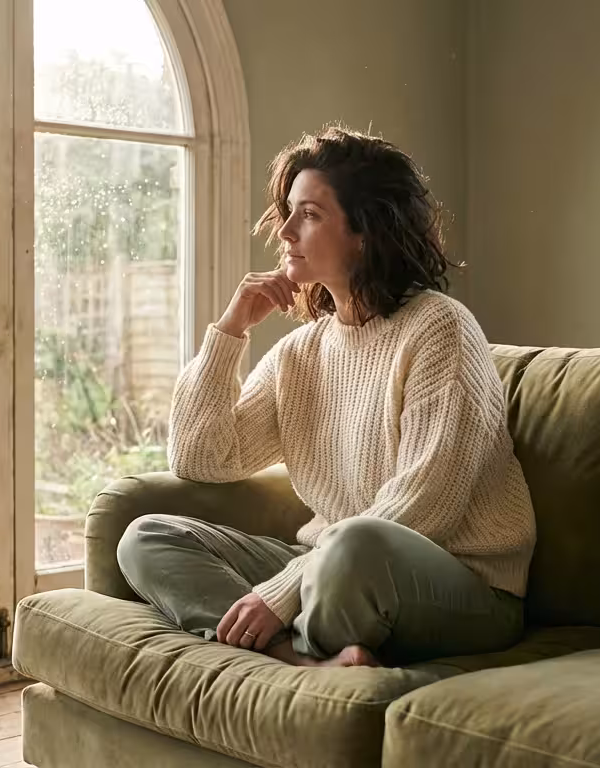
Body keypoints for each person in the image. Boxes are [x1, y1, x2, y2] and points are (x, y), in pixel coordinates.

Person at [116, 125, 536, 668]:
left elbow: (425, 503)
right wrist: (230, 331)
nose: (285, 231)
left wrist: (283, 590)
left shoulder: (439, 329)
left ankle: (299, 647)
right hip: (329, 570)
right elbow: (202, 456)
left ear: (366, 232)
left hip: (461, 586)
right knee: (146, 538)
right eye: (288, 211)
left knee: (357, 545)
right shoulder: (302, 352)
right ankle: (301, 660)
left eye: (310, 214)